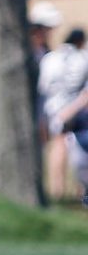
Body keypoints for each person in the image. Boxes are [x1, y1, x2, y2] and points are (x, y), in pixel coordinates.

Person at [38, 28, 88, 201]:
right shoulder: (83, 58)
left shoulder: (50, 58)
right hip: (78, 111)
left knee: (58, 146)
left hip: (52, 108)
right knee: (80, 151)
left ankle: (57, 190)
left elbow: (43, 87)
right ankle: (81, 193)